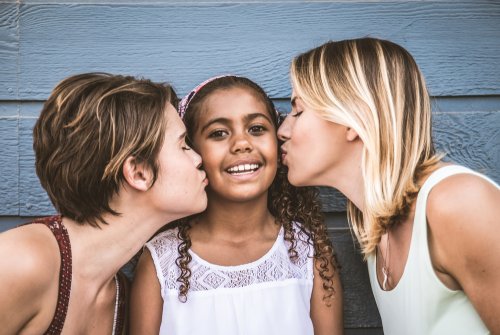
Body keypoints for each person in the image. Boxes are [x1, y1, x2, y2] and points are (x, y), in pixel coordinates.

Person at [277, 37, 500, 334]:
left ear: (353, 118)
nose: (283, 130)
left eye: (298, 110)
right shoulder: (377, 231)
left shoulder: (457, 203)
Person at [130, 75, 343, 335]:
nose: (242, 144)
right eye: (218, 133)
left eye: (256, 129)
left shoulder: (310, 253)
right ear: (193, 152)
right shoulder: (161, 261)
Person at [0, 72, 208, 334]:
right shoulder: (21, 262)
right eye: (183, 146)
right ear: (139, 173)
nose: (199, 158)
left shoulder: (119, 296)